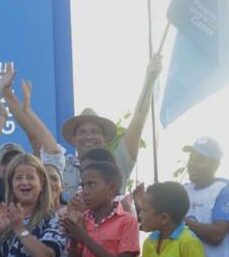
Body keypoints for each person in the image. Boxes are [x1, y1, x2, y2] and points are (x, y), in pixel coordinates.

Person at [58, 54, 162, 202]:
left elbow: (138, 122)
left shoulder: (118, 162)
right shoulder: (62, 166)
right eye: (83, 132)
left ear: (104, 139)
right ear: (73, 140)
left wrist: (150, 79)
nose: (89, 137)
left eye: (95, 132)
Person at [0, 65, 64, 200]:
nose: (12, 165)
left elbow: (50, 151)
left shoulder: (42, 190)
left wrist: (10, 96)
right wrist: (2, 117)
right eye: (6, 162)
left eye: (16, 160)